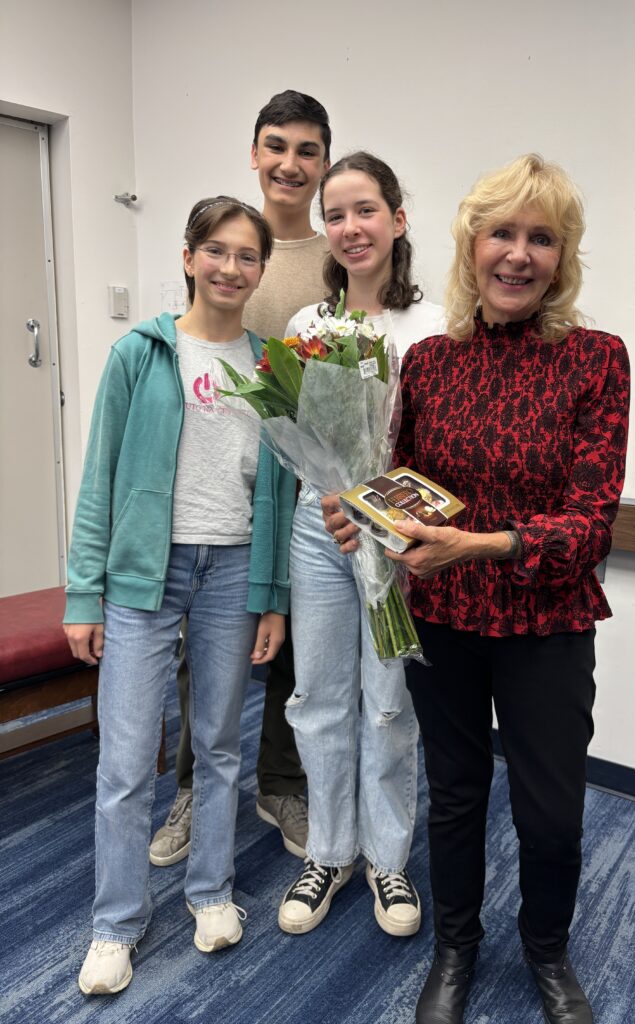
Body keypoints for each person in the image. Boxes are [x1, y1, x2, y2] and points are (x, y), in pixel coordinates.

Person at [324, 154, 630, 1024]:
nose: (519, 255)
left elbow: (590, 523)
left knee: (551, 814)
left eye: (542, 238)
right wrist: (360, 516)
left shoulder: (597, 360)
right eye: (502, 233)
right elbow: (398, 487)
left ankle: (547, 952)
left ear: (562, 257)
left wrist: (481, 545)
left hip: (549, 623)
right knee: (455, 799)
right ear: (470, 247)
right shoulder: (428, 362)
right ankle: (455, 949)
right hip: (445, 621)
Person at [64, 196, 295, 995]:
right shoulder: (140, 352)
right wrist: (83, 594)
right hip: (145, 575)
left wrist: (273, 596)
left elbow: (279, 493)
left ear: (260, 269)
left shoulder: (274, 366)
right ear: (190, 258)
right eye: (217, 252)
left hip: (232, 572)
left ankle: (211, 892)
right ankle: (116, 923)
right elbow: (100, 478)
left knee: (220, 744)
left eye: (247, 256)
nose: (231, 268)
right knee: (127, 759)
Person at [150, 90, 331, 869]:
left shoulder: (336, 255)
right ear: (254, 154)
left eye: (307, 150)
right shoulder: (233, 242)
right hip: (223, 489)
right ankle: (194, 788)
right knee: (208, 653)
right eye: (276, 146)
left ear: (323, 163)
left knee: (295, 648)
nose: (290, 163)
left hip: (307, 483)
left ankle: (281, 784)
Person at [277, 152, 444, 937]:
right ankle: (330, 851)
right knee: (317, 697)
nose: (350, 228)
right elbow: (297, 438)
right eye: (335, 214)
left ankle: (387, 858)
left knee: (386, 702)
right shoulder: (306, 328)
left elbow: (442, 446)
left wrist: (383, 509)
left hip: (394, 537)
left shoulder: (435, 325)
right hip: (319, 528)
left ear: (397, 219)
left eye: (365, 210)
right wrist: (332, 488)